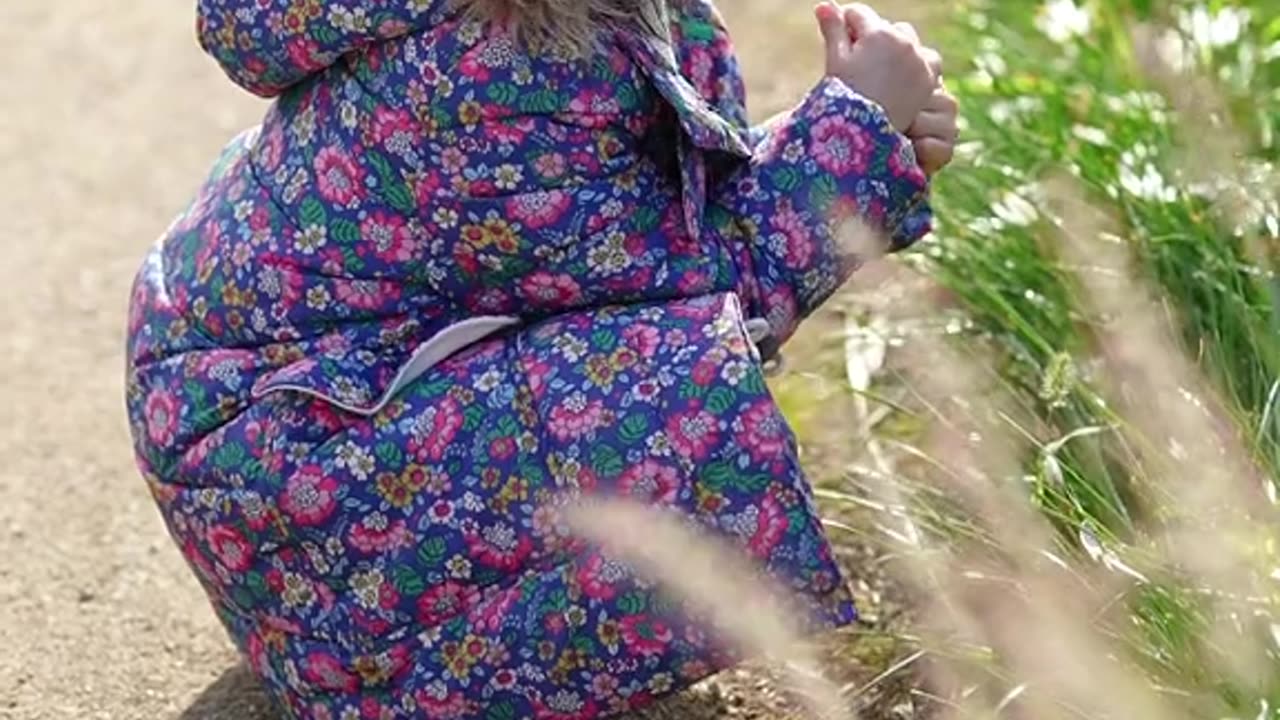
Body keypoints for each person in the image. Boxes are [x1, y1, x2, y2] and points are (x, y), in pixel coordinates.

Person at [124, 1, 958, 717]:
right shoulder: (499, 71)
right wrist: (854, 136)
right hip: (293, 497)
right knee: (672, 405)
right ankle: (387, 670)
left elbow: (650, 233)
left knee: (671, 374)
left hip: (312, 410)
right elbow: (685, 306)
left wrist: (857, 134)